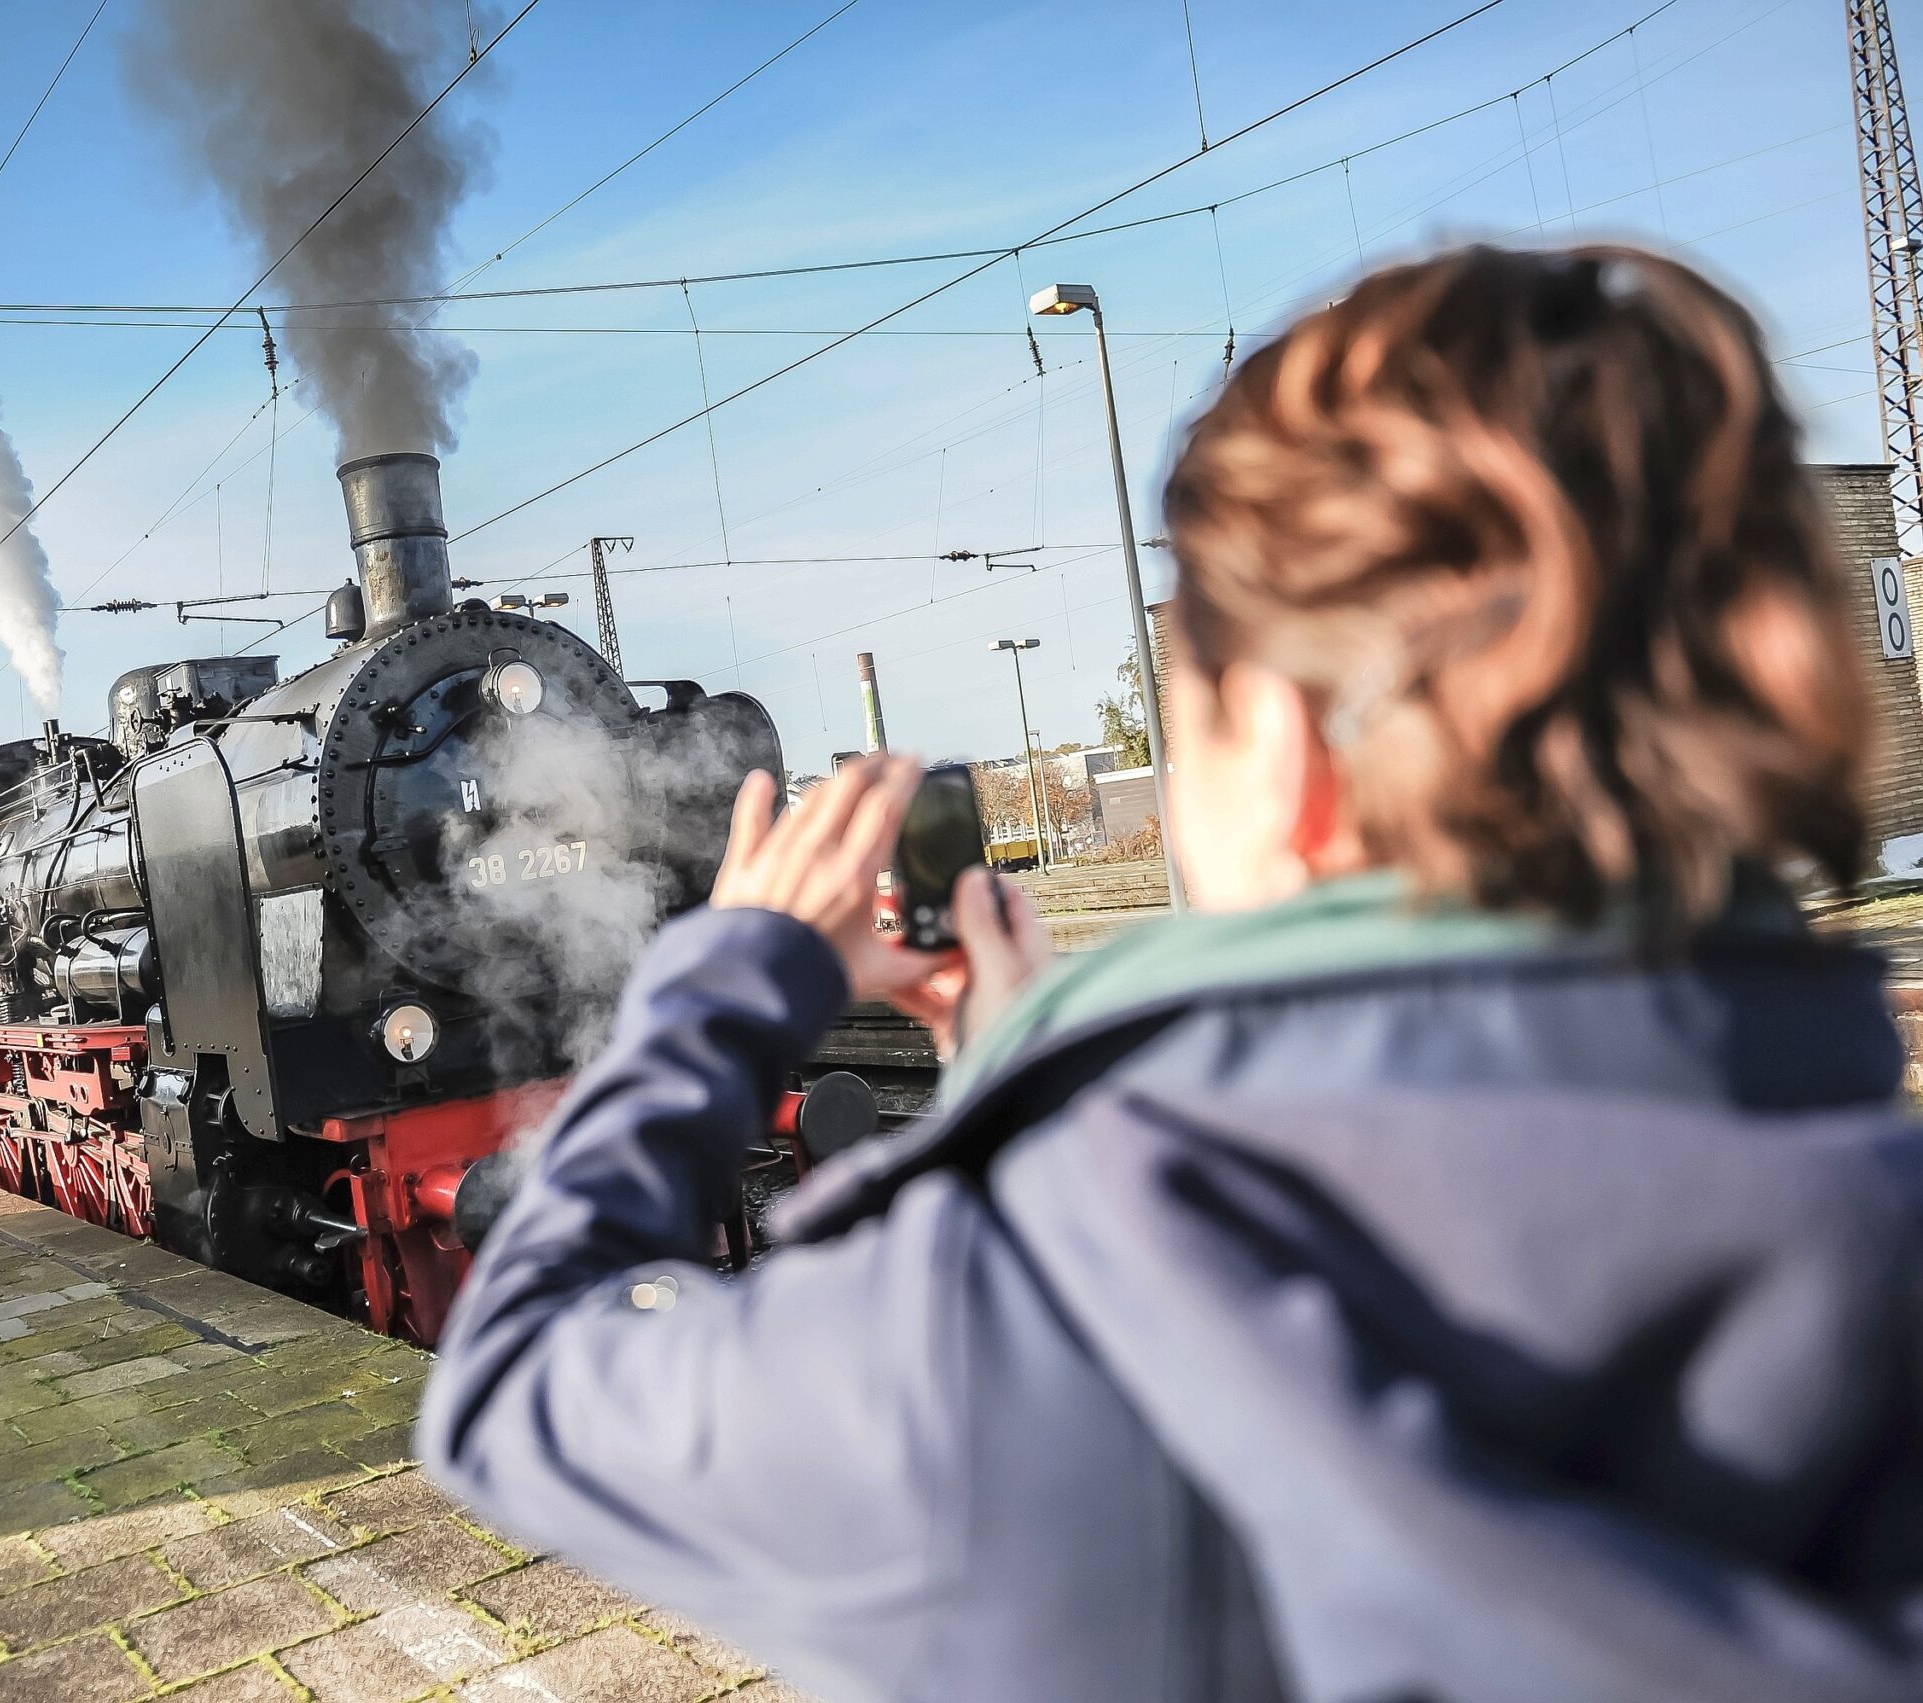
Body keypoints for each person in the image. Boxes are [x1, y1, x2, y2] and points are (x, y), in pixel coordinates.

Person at [419, 246, 1923, 1702]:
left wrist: (724, 987)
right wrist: (1034, 1087)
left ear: (1274, 747)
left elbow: (517, 1384)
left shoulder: (1025, 1319)